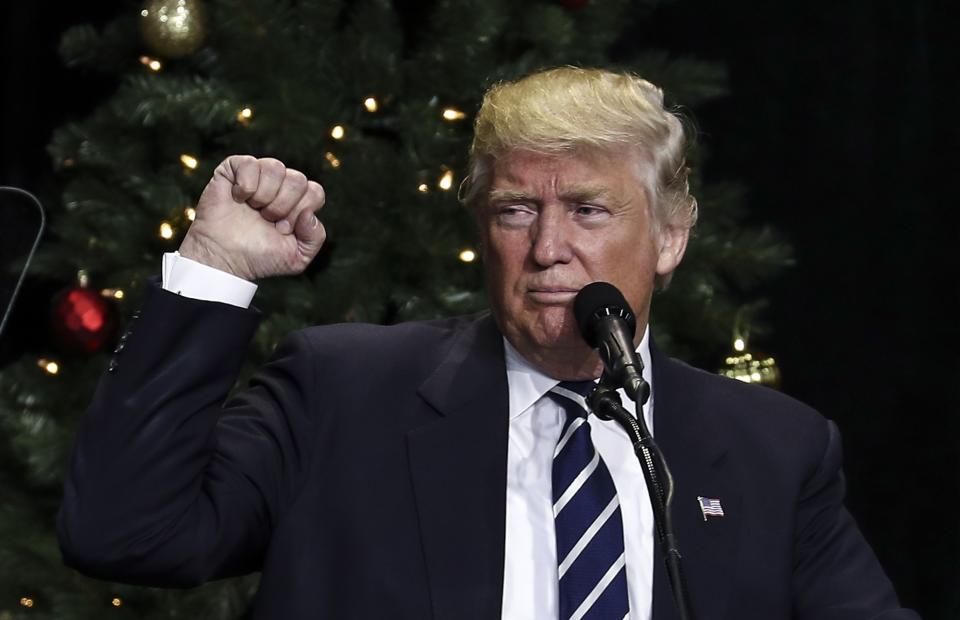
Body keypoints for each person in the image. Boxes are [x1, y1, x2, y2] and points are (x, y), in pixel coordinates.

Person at [58, 67, 919, 619]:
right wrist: (213, 268)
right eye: (516, 210)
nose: (548, 248)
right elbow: (123, 534)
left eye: (588, 209)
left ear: (668, 238)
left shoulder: (775, 450)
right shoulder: (344, 392)